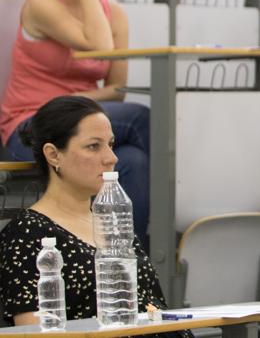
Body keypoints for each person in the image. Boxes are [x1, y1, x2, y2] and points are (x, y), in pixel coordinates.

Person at [0, 0, 151, 239]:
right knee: (140, 119)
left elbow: (117, 90)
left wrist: (71, 104)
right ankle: (141, 254)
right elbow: (99, 45)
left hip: (82, 123)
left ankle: (122, 262)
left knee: (133, 162)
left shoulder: (116, 14)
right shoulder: (43, 1)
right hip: (32, 125)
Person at [0, 97, 180, 329]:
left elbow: (153, 307)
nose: (111, 158)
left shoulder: (113, 222)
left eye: (111, 144)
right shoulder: (27, 234)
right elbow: (33, 331)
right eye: (93, 146)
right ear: (54, 155)